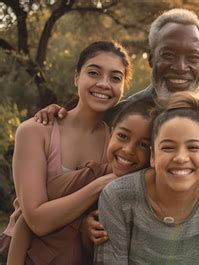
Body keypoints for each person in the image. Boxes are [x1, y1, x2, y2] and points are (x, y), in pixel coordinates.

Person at [0, 41, 131, 264]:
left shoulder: (117, 144)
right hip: (23, 255)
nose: (104, 84)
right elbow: (37, 221)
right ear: (76, 78)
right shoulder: (36, 131)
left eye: (115, 78)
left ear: (123, 88)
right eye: (93, 73)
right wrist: (99, 184)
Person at [94, 91, 199, 264]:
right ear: (153, 156)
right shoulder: (118, 196)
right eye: (168, 147)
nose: (181, 158)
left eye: (193, 148)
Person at [6, 97, 155, 265]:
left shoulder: (149, 190)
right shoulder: (91, 175)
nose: (128, 150)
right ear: (111, 133)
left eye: (143, 145)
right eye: (122, 136)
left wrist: (85, 231)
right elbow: (26, 221)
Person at [34, 8, 199, 124]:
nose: (180, 67)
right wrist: (57, 116)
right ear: (151, 59)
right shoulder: (114, 117)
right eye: (168, 55)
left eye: (193, 58)